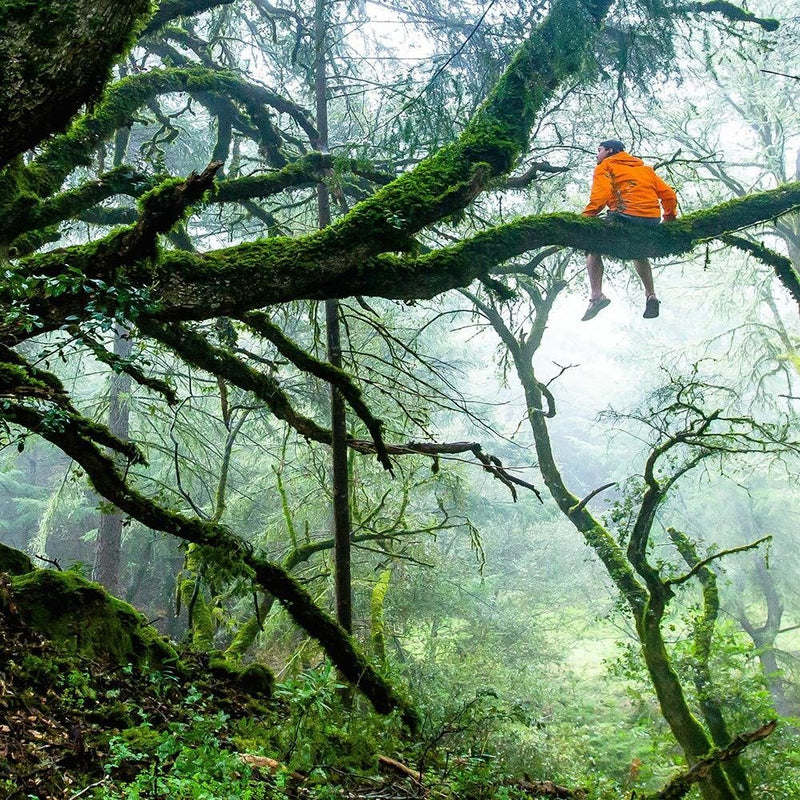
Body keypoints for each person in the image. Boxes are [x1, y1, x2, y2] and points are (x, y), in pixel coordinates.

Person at [581, 138, 677, 321]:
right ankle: (651, 295)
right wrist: (669, 218)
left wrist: (585, 218)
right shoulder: (645, 169)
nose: (597, 154)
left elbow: (601, 196)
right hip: (651, 221)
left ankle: (596, 296)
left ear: (609, 151)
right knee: (638, 252)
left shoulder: (605, 166)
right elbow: (669, 195)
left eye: (599, 150)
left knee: (591, 244)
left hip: (625, 217)